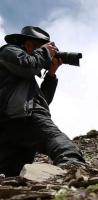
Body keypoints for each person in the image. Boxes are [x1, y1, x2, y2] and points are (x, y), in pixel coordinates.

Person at [0, 26, 85, 177]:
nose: (49, 53)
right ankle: (73, 166)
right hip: (21, 117)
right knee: (53, 138)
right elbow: (27, 66)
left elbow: (43, 101)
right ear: (28, 43)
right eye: (41, 46)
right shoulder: (9, 51)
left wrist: (51, 74)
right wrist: (45, 51)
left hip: (14, 122)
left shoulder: (24, 79)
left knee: (13, 172)